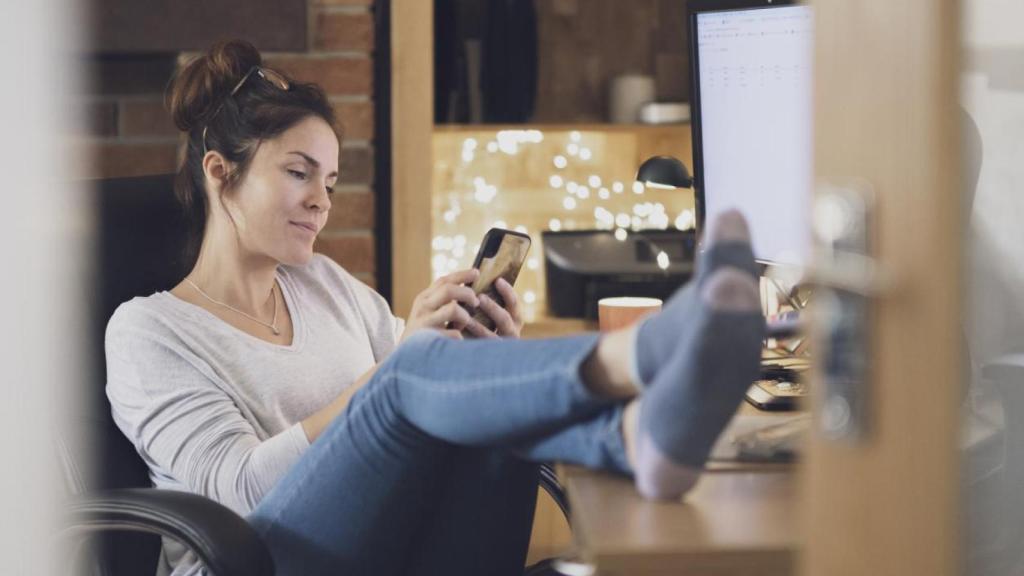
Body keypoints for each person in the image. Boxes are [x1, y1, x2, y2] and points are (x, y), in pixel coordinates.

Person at [105, 40, 766, 576]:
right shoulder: (150, 330)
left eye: (331, 183)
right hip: (258, 564)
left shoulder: (328, 287)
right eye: (299, 172)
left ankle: (633, 436)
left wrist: (484, 353)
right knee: (410, 374)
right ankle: (648, 355)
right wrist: (391, 375)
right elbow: (236, 495)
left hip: (390, 548)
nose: (321, 202)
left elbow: (430, 401)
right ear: (220, 173)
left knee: (469, 397)